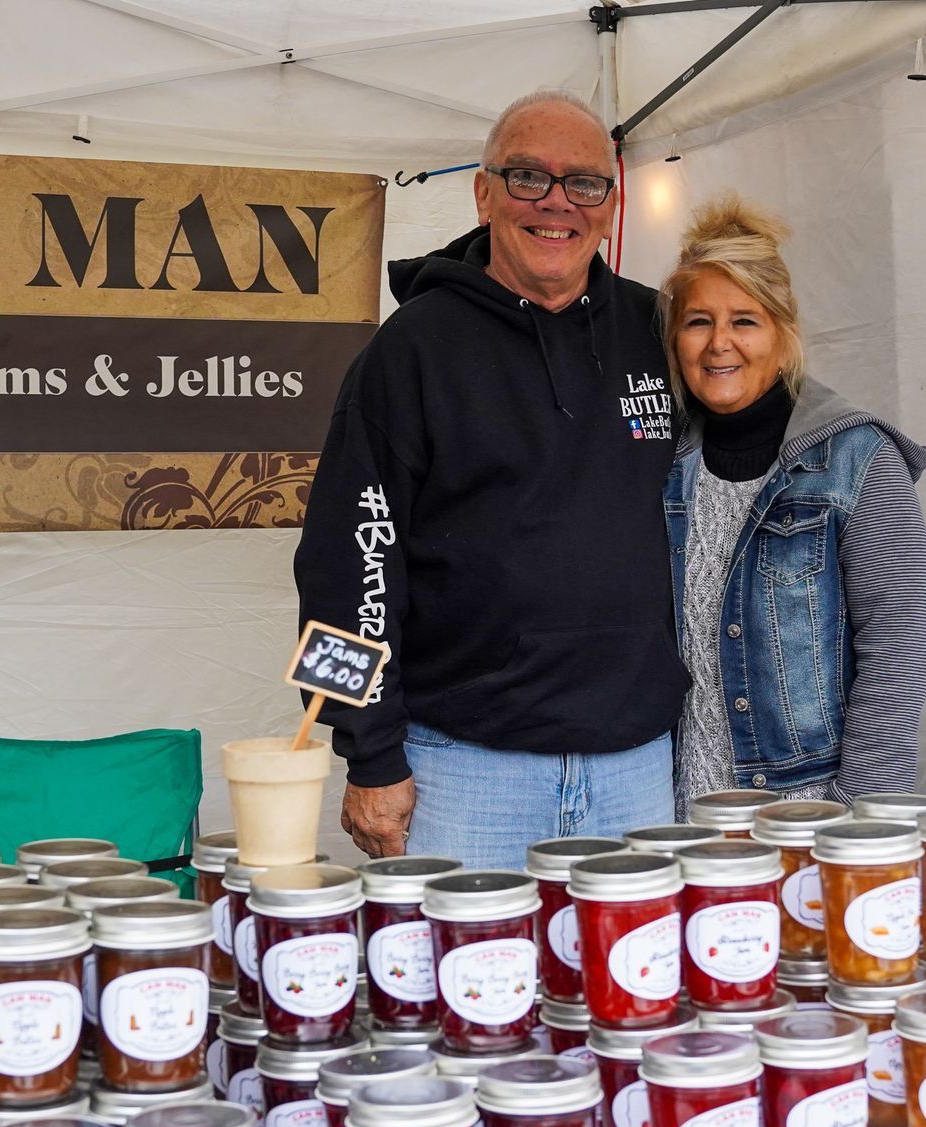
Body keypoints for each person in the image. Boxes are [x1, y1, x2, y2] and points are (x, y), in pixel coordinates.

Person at [292, 90, 689, 866]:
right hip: (464, 773)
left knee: (626, 990)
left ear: (610, 204)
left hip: (637, 768)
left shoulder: (655, 332)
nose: (556, 204)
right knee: (464, 989)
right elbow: (343, 564)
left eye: (584, 183)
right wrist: (369, 756)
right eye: (527, 178)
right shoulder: (409, 353)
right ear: (483, 192)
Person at [662, 195, 926, 805]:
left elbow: (896, 649)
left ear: (783, 335)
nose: (719, 344)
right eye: (698, 321)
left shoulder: (857, 458)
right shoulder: (665, 462)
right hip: (676, 816)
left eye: (745, 321)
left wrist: (858, 820)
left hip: (805, 818)